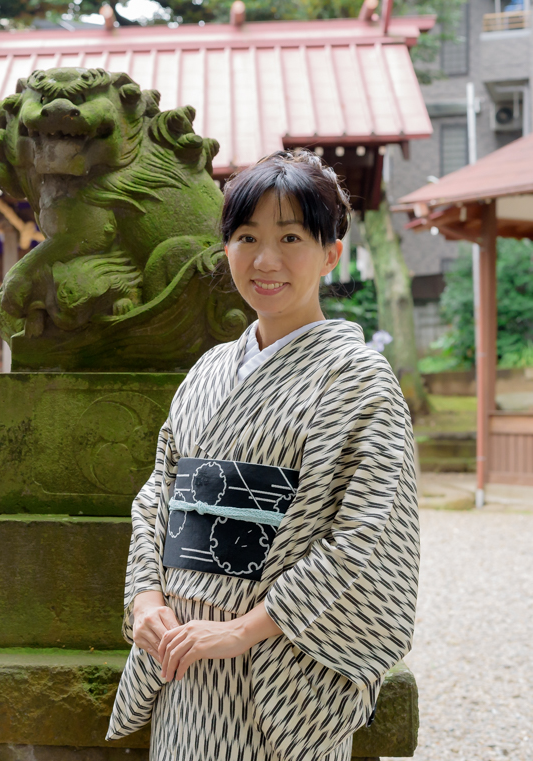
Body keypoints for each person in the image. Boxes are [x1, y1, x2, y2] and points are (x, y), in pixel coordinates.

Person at [106, 149, 421, 761]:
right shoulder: (209, 369)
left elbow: (365, 536)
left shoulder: (356, 378)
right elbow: (157, 496)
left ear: (331, 252)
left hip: (278, 664)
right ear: (225, 248)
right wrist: (146, 601)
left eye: (291, 237)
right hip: (181, 656)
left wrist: (242, 630)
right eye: (247, 236)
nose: (266, 259)